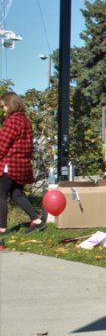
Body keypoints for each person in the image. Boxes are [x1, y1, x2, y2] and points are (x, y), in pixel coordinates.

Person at [0, 91, 44, 242]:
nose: (3, 109)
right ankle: (37, 220)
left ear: (10, 104)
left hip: (10, 165)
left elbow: (2, 145)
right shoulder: (25, 121)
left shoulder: (12, 121)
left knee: (1, 195)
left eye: (3, 106)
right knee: (17, 194)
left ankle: (2, 229)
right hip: (22, 165)